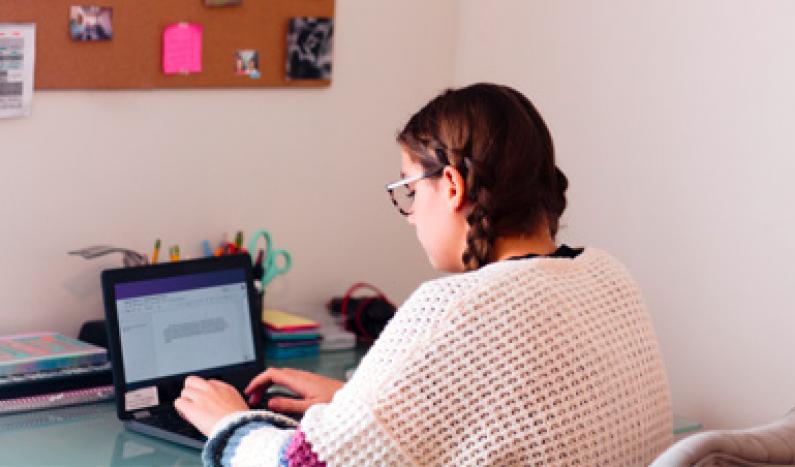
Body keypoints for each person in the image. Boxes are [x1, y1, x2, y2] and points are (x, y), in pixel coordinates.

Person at [174, 83, 673, 466]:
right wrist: (355, 403)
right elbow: (523, 412)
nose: (412, 215)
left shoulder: (455, 307)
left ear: (452, 185)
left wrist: (230, 421)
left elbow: (302, 464)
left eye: (412, 191)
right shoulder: (609, 277)